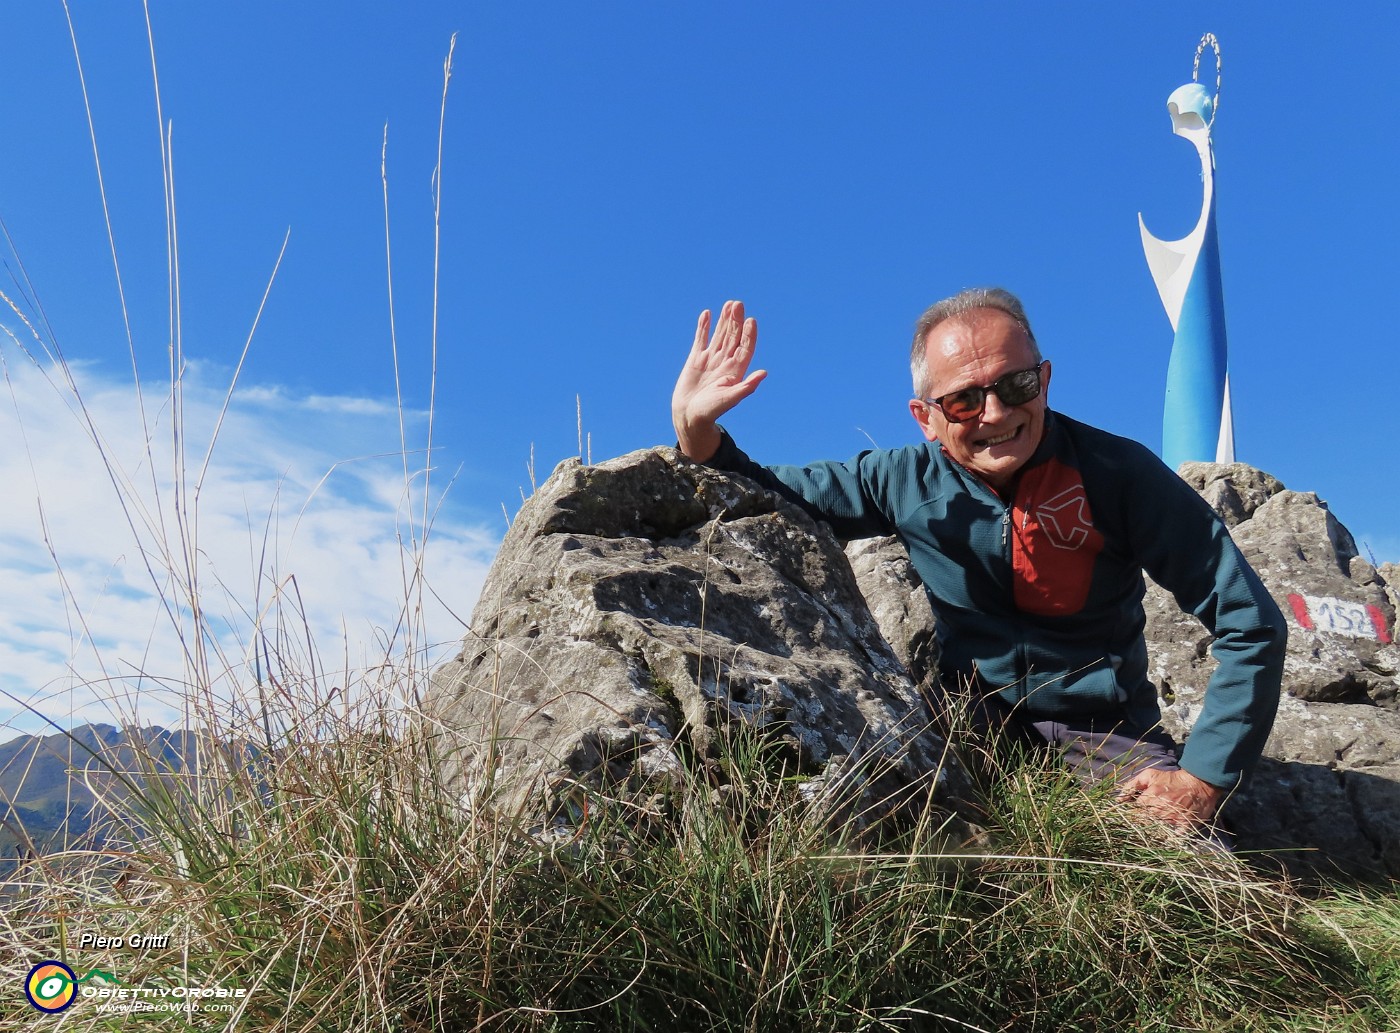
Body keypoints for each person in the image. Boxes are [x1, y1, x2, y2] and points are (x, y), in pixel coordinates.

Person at [671, 289, 1286, 830]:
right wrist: (696, 432)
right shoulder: (900, 479)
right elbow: (762, 491)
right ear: (926, 419)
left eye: (1015, 385)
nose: (995, 413)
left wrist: (1203, 778)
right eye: (964, 400)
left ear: (1044, 380)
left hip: (1104, 735)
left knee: (1179, 888)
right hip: (960, 725)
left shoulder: (1121, 475)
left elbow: (1250, 623)